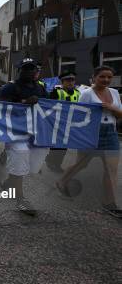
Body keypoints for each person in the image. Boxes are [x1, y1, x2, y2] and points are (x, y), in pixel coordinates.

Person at [56, 66, 122, 217]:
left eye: (109, 77)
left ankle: (109, 203)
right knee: (82, 163)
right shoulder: (86, 94)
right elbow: (79, 116)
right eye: (102, 77)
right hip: (91, 133)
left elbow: (120, 115)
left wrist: (110, 107)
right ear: (94, 77)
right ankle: (62, 181)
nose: (106, 80)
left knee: (111, 169)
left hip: (110, 133)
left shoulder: (114, 93)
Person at [0, 58, 49, 216]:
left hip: (36, 133)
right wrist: (24, 102)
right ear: (19, 70)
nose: (29, 71)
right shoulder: (9, 87)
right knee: (20, 161)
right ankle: (21, 200)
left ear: (36, 71)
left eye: (32, 69)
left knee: (32, 167)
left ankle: (8, 182)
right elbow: (0, 109)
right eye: (25, 69)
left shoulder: (41, 88)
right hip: (15, 133)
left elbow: (48, 106)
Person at [44, 71, 81, 173]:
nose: (70, 82)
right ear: (62, 81)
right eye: (67, 80)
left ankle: (52, 161)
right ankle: (54, 163)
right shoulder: (56, 92)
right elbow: (48, 107)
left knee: (64, 146)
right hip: (57, 123)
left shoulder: (78, 93)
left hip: (71, 124)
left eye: (72, 80)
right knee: (58, 145)